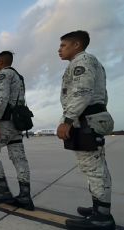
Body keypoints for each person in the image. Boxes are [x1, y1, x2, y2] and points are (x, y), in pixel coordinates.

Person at [56, 30, 115, 229]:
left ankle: (102, 218)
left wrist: (67, 120)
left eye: (63, 45)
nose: (59, 49)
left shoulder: (82, 61)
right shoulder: (92, 62)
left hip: (86, 119)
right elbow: (102, 95)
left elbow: (82, 91)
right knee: (94, 168)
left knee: (94, 170)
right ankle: (99, 208)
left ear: (77, 45)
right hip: (91, 117)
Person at [0, 51, 34, 210]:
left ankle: (3, 190)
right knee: (19, 158)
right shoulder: (19, 77)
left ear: (1, 62)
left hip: (5, 122)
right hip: (17, 124)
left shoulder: (4, 74)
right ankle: (25, 196)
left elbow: (2, 98)